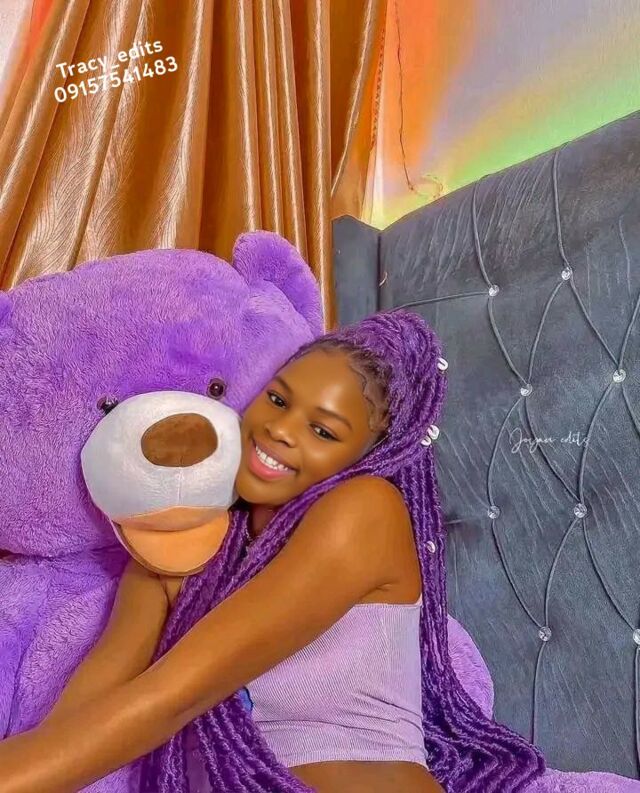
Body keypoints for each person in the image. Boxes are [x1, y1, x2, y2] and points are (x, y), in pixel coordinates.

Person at [0, 309, 545, 793]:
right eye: (279, 399)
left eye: (323, 431)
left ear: (368, 456)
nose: (281, 430)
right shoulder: (186, 550)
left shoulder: (364, 512)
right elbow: (79, 724)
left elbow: (172, 698)